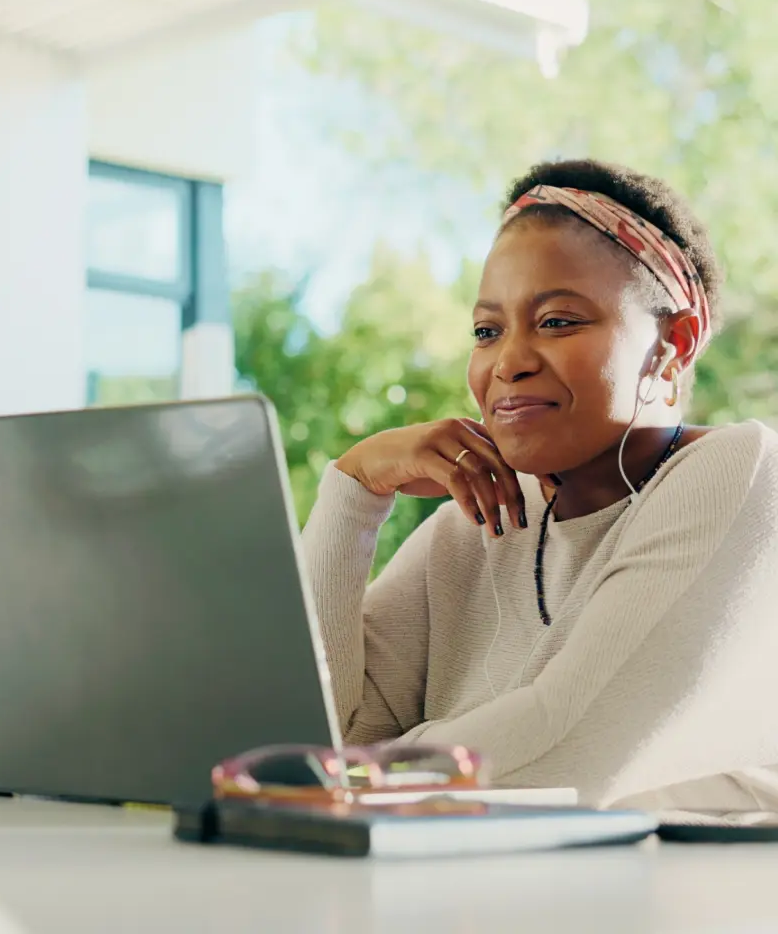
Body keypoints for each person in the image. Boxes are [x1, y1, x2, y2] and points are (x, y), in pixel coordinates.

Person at [302, 158, 778, 817]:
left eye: (557, 321)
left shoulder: (745, 471)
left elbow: (559, 754)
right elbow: (310, 743)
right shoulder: (473, 525)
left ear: (674, 345)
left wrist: (352, 771)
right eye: (487, 331)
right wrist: (354, 492)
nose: (510, 362)